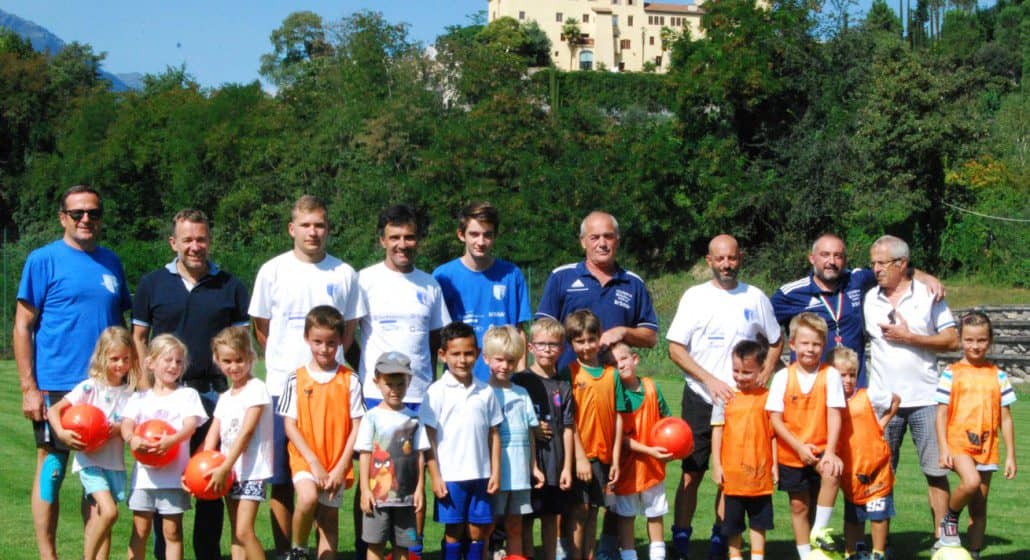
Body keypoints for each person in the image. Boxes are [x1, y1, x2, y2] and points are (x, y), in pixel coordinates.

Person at [14, 185, 131, 560]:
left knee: (97, 480)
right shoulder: (43, 259)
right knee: (52, 468)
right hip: (60, 386)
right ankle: (48, 557)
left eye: (93, 213)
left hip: (106, 388)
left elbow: (122, 325)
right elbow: (22, 326)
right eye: (77, 213)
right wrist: (30, 388)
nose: (86, 219)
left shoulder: (112, 262)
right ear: (63, 217)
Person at [249, 194, 367, 556]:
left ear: (328, 229)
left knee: (329, 482)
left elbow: (349, 330)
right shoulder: (273, 270)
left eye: (319, 225)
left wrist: (330, 364)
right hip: (283, 387)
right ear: (292, 229)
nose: (312, 232)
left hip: (332, 389)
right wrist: (287, 364)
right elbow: (262, 327)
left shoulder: (344, 273)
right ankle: (289, 551)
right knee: (284, 483)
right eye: (305, 225)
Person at [131, 208, 250, 560]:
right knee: (162, 483)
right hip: (164, 399)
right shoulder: (153, 284)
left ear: (209, 241)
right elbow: (139, 337)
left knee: (210, 480)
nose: (195, 246)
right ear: (174, 242)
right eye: (187, 240)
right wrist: (144, 388)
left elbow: (241, 344)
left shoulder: (231, 285)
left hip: (213, 395)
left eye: (201, 239)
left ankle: (207, 554)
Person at [666, 234, 782, 559]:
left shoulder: (755, 297)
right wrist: (710, 380)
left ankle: (721, 539)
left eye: (731, 258)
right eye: (720, 259)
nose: (726, 264)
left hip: (741, 406)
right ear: (709, 261)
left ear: (740, 257)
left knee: (729, 476)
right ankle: (681, 539)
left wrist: (766, 371)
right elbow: (675, 348)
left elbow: (776, 340)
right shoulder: (694, 297)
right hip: (701, 397)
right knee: (692, 472)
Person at [863, 235, 958, 539]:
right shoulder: (869, 297)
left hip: (926, 399)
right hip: (883, 403)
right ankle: (880, 547)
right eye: (873, 262)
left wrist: (911, 337)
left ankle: (943, 541)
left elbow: (952, 340)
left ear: (902, 264)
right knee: (880, 475)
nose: (875, 269)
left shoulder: (929, 294)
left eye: (882, 263)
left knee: (936, 472)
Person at [771, 234, 943, 388]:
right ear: (812, 258)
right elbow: (762, 329)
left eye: (838, 256)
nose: (831, 261)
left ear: (845, 260)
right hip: (811, 386)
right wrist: (779, 369)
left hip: (853, 386)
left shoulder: (856, 279)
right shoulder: (790, 294)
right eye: (825, 255)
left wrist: (926, 278)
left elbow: (894, 269)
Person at [46, 327, 143, 560]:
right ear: (102, 357)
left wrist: (118, 429)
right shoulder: (90, 387)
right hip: (90, 462)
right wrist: (62, 433)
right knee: (109, 512)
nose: (120, 364)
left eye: (125, 359)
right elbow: (54, 410)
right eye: (114, 359)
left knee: (103, 520)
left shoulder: (132, 394)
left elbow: (132, 427)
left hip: (114, 464)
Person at [279, 306, 365, 560]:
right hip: (306, 459)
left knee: (328, 521)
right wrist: (314, 462)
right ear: (307, 339)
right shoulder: (296, 378)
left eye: (331, 343)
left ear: (340, 342)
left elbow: (357, 426)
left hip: (337, 461)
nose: (324, 348)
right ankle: (298, 549)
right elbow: (289, 425)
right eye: (317, 342)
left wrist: (340, 467)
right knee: (306, 499)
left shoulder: (350, 378)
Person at [935, 312, 1017, 558]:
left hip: (987, 447)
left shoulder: (998, 376)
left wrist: (1011, 455)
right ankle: (949, 519)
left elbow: (1006, 418)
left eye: (981, 340)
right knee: (969, 482)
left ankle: (974, 552)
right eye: (970, 340)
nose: (975, 345)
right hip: (958, 443)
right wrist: (943, 448)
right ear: (961, 339)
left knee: (979, 506)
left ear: (989, 341)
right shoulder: (952, 372)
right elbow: (940, 414)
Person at [766, 313, 846, 560]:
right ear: (793, 344)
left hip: (822, 448)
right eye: (805, 343)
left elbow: (834, 414)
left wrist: (831, 451)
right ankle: (805, 555)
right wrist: (799, 447)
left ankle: (820, 530)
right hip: (793, 451)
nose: (810, 349)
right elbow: (775, 420)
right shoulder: (782, 377)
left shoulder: (830, 375)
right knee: (798, 505)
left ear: (824, 345)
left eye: (816, 344)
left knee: (832, 471)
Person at [420, 322, 503, 560]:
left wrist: (495, 471)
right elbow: (429, 439)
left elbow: (494, 434)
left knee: (478, 530)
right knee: (454, 531)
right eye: (456, 354)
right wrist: (435, 476)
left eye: (468, 353)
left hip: (481, 475)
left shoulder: (485, 391)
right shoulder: (436, 392)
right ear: (442, 355)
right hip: (451, 477)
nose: (463, 360)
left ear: (477, 353)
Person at [536, 211, 658, 371]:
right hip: (568, 384)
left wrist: (622, 332)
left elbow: (651, 338)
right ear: (583, 241)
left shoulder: (633, 283)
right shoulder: (561, 277)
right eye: (595, 237)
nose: (602, 243)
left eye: (608, 236)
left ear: (617, 240)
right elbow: (542, 330)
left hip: (616, 385)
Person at [122, 335, 209, 560]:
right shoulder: (140, 398)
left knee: (173, 531)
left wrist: (172, 440)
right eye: (167, 360)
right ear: (150, 363)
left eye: (179, 362)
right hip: (144, 478)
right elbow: (127, 425)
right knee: (140, 530)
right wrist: (132, 439)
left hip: (174, 478)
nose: (173, 366)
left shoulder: (187, 395)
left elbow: (191, 425)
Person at [359, 204, 451, 408]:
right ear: (383, 240)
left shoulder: (430, 284)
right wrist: (367, 367)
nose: (402, 244)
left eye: (409, 237)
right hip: (376, 396)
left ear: (417, 240)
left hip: (420, 395)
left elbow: (436, 340)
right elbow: (346, 335)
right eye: (394, 237)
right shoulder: (364, 281)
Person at [433, 201, 532, 382]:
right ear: (461, 235)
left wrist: (521, 374)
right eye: (474, 234)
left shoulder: (512, 274)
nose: (481, 241)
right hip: (461, 380)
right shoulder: (442, 276)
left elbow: (520, 331)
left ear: (495, 236)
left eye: (487, 235)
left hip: (503, 379)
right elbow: (435, 334)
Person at [201, 326, 274, 560]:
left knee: (244, 530)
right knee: (236, 531)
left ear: (251, 357)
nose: (234, 367)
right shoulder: (224, 397)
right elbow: (213, 435)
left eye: (239, 360)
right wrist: (199, 468)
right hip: (229, 473)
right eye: (227, 361)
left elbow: (246, 433)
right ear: (217, 361)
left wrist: (223, 467)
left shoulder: (257, 389)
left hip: (252, 471)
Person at [356, 352, 430, 560]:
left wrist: (419, 490)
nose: (395, 390)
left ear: (409, 382)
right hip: (377, 499)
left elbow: (419, 456)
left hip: (406, 499)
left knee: (403, 547)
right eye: (389, 384)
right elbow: (365, 454)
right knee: (375, 545)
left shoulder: (414, 419)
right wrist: (364, 490)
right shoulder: (371, 418)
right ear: (376, 382)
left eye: (400, 384)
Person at [512, 318, 575, 560]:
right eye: (542, 344)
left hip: (554, 464)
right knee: (525, 520)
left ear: (562, 348)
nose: (547, 349)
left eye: (553, 344)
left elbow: (568, 428)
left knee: (551, 518)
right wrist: (533, 427)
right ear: (530, 348)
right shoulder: (520, 382)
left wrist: (567, 467)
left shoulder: (563, 385)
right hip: (526, 464)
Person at [565, 309, 622, 560]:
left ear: (600, 338)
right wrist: (579, 458)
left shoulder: (613, 374)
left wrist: (617, 460)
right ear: (571, 343)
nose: (586, 346)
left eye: (591, 339)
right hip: (580, 456)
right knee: (579, 510)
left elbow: (619, 418)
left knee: (593, 511)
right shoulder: (569, 373)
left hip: (604, 456)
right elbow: (569, 421)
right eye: (580, 341)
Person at [710, 340, 776, 560]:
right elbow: (717, 432)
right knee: (733, 523)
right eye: (736, 371)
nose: (740, 376)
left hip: (760, 474)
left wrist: (774, 464)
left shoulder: (768, 398)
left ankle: (758, 555)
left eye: (747, 372)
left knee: (759, 521)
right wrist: (717, 466)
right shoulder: (724, 397)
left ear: (761, 369)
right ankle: (735, 555)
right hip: (733, 475)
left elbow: (773, 434)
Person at [484, 325, 545, 558]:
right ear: (486, 358)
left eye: (511, 361)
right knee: (488, 525)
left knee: (515, 526)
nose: (505, 366)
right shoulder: (483, 392)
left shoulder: (521, 393)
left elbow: (530, 431)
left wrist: (534, 467)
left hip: (519, 473)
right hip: (495, 474)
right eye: (499, 359)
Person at [835, 346, 899, 560]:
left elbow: (895, 400)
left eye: (852, 375)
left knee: (878, 513)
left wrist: (881, 424)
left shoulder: (869, 395)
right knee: (853, 516)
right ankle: (852, 552)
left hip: (876, 466)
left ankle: (878, 552)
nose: (848, 380)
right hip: (851, 468)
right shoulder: (831, 404)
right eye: (842, 375)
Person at [611, 342, 673, 560]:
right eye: (614, 362)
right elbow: (621, 439)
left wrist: (677, 441)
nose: (620, 365)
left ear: (634, 359)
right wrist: (649, 450)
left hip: (652, 467)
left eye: (623, 359)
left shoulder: (651, 387)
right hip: (627, 468)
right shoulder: (613, 395)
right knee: (626, 516)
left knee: (655, 513)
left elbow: (667, 421)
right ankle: (629, 556)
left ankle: (658, 555)